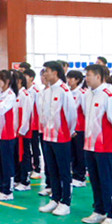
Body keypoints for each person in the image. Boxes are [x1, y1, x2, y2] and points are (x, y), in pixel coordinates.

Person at [82, 64, 112, 224]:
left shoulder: (110, 94)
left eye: (89, 75)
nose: (86, 78)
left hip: (106, 145)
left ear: (99, 77)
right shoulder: (88, 94)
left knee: (107, 180)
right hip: (90, 144)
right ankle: (99, 210)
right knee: (94, 179)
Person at [39, 61, 76, 215]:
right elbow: (43, 113)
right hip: (47, 136)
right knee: (52, 169)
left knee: (64, 171)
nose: (45, 74)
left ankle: (65, 202)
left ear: (55, 73)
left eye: (47, 71)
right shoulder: (47, 91)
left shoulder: (64, 90)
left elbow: (71, 114)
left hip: (61, 137)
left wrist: (69, 131)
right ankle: (55, 198)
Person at [0, 70, 20, 201]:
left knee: (7, 163)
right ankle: (1, 188)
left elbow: (2, 110)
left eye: (0, 79)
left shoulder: (10, 95)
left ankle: (8, 190)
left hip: (6, 134)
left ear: (7, 81)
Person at [66, 69, 88, 188]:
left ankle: (81, 177)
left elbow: (86, 112)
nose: (69, 80)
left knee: (80, 154)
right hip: (70, 128)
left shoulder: (82, 93)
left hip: (80, 128)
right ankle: (75, 175)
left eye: (71, 78)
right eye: (68, 78)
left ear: (78, 80)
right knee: (72, 153)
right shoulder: (68, 92)